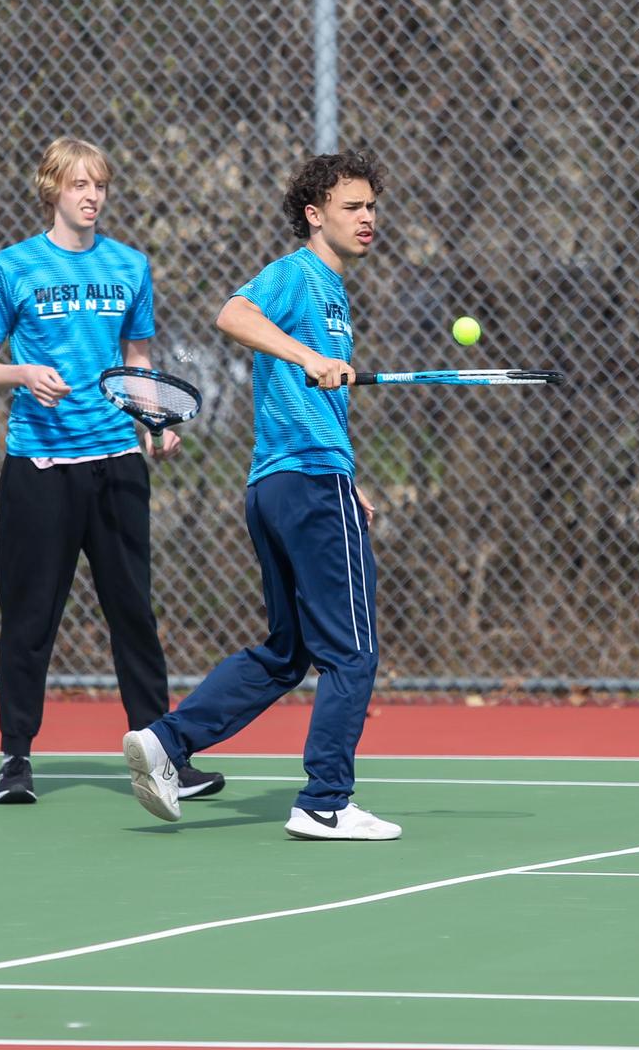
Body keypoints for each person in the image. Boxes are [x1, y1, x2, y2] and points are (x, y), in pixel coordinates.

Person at [121, 149, 399, 841]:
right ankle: (326, 800)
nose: (368, 218)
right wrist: (307, 357)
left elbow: (308, 405)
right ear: (315, 215)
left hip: (292, 482)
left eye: (371, 206)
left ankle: (166, 743)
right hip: (302, 485)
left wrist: (349, 478)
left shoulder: (334, 292)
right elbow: (232, 313)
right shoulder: (298, 275)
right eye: (352, 207)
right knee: (352, 651)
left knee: (287, 653)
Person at [0, 137, 223, 806]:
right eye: (79, 184)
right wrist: (22, 372)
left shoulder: (130, 266)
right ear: (52, 188)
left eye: (100, 185)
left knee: (133, 613)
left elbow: (137, 363)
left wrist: (153, 421)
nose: (92, 195)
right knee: (29, 618)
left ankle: (162, 756)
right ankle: (16, 760)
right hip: (40, 468)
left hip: (115, 465)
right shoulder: (10, 267)